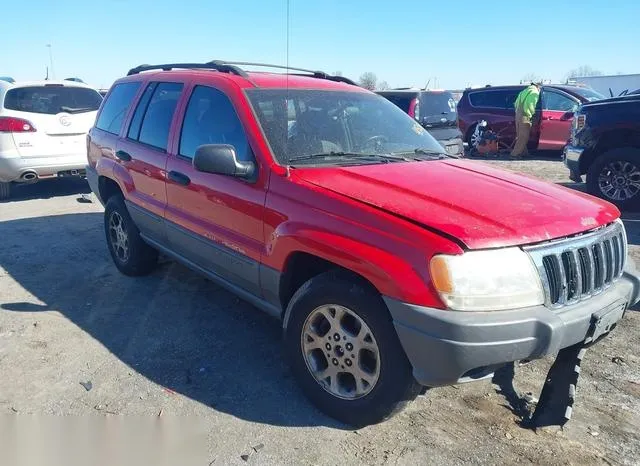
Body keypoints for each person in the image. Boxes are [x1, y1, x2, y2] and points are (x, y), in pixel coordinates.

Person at [511, 82, 541, 157]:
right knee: (524, 137)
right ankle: (515, 154)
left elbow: (516, 103)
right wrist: (531, 114)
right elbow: (531, 105)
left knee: (520, 135)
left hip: (518, 114)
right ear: (538, 87)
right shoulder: (534, 92)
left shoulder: (524, 91)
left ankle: (524, 153)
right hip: (525, 115)